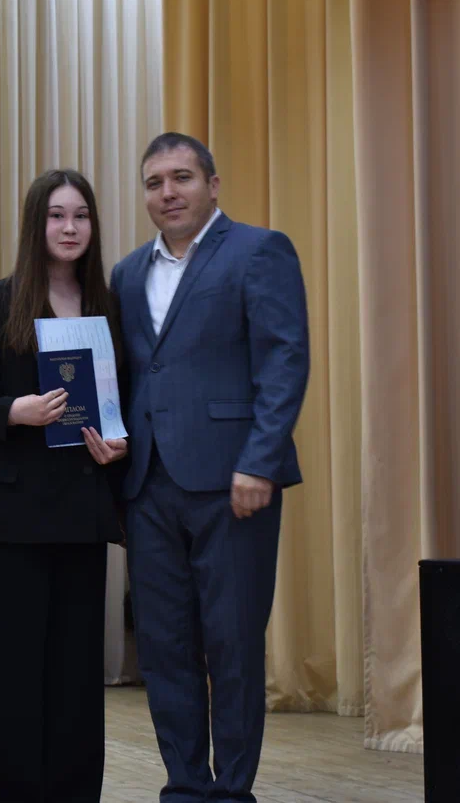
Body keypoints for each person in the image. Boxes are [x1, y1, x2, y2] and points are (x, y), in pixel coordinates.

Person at [109, 132, 310, 803]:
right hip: (147, 487)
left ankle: (233, 792)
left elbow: (284, 360)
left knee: (232, 645)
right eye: (154, 182)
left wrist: (260, 461)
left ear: (213, 185)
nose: (167, 192)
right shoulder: (127, 273)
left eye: (182, 177)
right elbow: (129, 376)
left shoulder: (259, 250)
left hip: (235, 484)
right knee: (163, 647)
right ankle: (186, 786)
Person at [0, 168, 129, 802]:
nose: (70, 227)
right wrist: (13, 411)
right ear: (36, 223)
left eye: (80, 215)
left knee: (75, 673)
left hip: (81, 513)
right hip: (11, 518)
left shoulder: (109, 304)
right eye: (57, 215)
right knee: (9, 671)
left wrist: (120, 442)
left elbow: (124, 398)